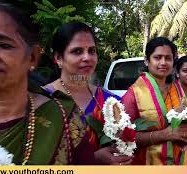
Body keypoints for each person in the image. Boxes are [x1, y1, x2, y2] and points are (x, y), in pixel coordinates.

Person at [0, 2, 98, 165]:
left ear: (32, 57)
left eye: (3, 45)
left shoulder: (62, 117)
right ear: (58, 59)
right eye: (77, 51)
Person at [43, 22, 132, 165]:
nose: (87, 58)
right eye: (77, 51)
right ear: (58, 58)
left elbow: (123, 144)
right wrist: (94, 159)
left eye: (92, 50)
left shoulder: (110, 101)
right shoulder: (42, 100)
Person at [121, 37, 187, 165]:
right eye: (157, 57)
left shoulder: (177, 89)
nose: (163, 62)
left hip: (180, 161)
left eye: (168, 58)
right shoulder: (134, 93)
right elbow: (122, 137)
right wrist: (165, 135)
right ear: (146, 61)